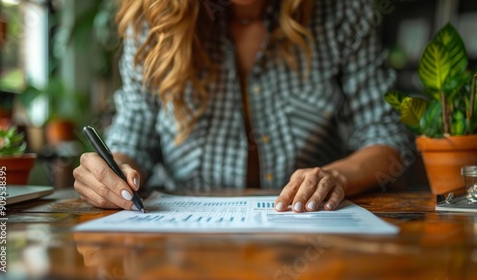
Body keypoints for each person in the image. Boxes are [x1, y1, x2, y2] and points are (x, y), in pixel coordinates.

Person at [73, 0, 409, 213]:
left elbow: (388, 137)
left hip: (312, 226)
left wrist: (337, 176)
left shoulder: (341, 12)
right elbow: (133, 141)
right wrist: (113, 170)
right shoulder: (153, 19)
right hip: (181, 245)